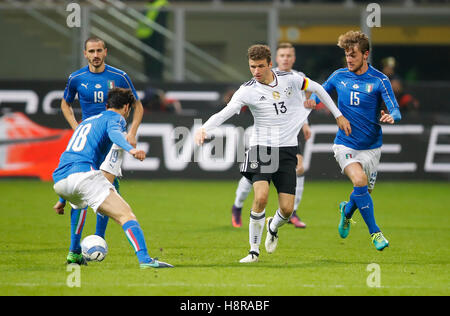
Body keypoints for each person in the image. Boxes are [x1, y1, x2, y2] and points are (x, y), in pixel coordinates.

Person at [195, 44, 350, 263]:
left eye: (260, 66)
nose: (256, 71)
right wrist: (204, 129)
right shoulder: (247, 90)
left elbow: (318, 88)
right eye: (252, 67)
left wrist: (338, 115)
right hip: (261, 149)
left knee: (286, 210)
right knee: (261, 197)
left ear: (270, 64)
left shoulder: (290, 79)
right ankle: (253, 251)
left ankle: (273, 227)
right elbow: (225, 113)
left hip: (287, 149)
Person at [53, 88, 172, 269]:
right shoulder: (116, 118)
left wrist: (62, 199)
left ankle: (74, 254)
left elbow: (71, 154)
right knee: (125, 214)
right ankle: (145, 260)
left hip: (61, 179)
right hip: (83, 175)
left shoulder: (87, 122)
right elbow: (115, 134)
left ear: (106, 105)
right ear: (126, 108)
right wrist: (131, 149)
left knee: (79, 204)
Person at [53, 37, 144, 265]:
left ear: (106, 52)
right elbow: (65, 103)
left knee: (104, 186)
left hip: (111, 140)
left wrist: (131, 133)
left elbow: (137, 105)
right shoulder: (77, 78)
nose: (95, 55)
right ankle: (78, 249)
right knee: (94, 188)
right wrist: (76, 126)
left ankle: (95, 241)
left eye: (99, 50)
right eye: (91, 51)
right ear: (85, 53)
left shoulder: (119, 77)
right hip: (90, 138)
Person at [308, 31, 402, 251]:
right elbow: (320, 92)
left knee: (363, 194)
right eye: (346, 55)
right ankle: (375, 233)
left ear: (366, 54)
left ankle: (346, 211)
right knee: (359, 182)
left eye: (353, 55)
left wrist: (392, 116)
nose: (349, 59)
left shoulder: (380, 80)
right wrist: (312, 101)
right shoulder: (339, 76)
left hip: (372, 147)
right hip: (345, 144)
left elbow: (395, 109)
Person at [230, 42, 313, 229]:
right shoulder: (266, 73)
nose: (285, 59)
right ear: (275, 59)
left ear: (294, 58)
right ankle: (237, 206)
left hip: (289, 132)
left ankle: (292, 211)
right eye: (282, 55)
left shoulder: (298, 77)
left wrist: (305, 124)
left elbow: (298, 103)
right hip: (265, 134)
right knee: (252, 176)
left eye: (289, 55)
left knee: (299, 168)